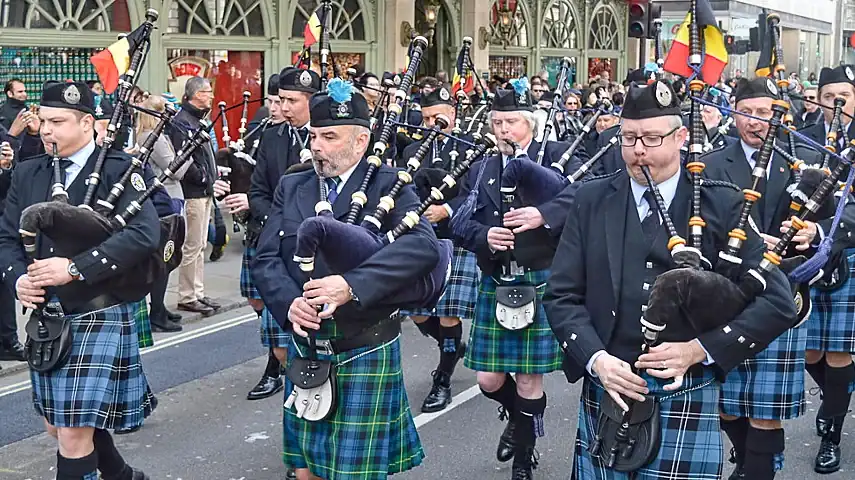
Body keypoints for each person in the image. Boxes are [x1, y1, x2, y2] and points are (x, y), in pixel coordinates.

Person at [544, 80, 796, 480]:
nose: (638, 150)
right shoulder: (590, 200)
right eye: (628, 138)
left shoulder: (722, 203)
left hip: (688, 392)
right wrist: (596, 359)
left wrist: (701, 348)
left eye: (650, 138)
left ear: (681, 137)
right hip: (609, 386)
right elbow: (562, 296)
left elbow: (779, 301)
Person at [252, 80, 437, 480]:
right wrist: (289, 305)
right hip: (306, 344)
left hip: (363, 343)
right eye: (314, 135)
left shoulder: (389, 184)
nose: (316, 146)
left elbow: (423, 249)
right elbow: (266, 257)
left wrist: (352, 285)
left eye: (329, 137)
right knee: (305, 472)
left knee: (354, 474)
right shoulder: (294, 184)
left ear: (361, 140)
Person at [0, 80, 157, 479]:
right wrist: (18, 279)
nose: (47, 130)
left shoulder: (119, 169)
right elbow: (6, 237)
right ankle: (122, 475)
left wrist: (75, 268)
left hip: (97, 310)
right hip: (47, 316)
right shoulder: (28, 171)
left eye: (58, 121)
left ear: (87, 123)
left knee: (71, 431)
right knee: (59, 424)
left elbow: (143, 234)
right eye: (44, 120)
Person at [451, 78, 582, 479]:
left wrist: (545, 215)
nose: (503, 130)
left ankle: (525, 455)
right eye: (497, 123)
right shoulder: (481, 167)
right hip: (498, 279)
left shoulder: (557, 156)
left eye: (511, 122)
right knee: (489, 379)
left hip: (541, 276)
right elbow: (459, 220)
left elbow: (588, 196)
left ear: (531, 123)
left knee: (528, 379)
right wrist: (483, 236)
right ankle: (517, 418)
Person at [702, 78, 827, 479]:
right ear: (733, 111)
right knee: (725, 403)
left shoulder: (806, 158)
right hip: (728, 291)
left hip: (783, 292)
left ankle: (760, 470)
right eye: (747, 112)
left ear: (781, 114)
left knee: (766, 410)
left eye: (766, 113)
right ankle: (749, 457)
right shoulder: (711, 162)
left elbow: (848, 211)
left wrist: (815, 232)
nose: (756, 122)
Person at [243, 67, 320, 408]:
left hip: (319, 247)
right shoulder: (273, 137)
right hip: (276, 240)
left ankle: (311, 397)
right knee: (277, 333)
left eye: (291, 100)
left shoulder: (326, 136)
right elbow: (259, 189)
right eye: (280, 100)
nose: (284, 107)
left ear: (310, 101)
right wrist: (278, 221)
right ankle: (285, 380)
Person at [399, 86, 479, 413]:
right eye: (428, 117)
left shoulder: (472, 148)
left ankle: (442, 379)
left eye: (439, 116)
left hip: (456, 238)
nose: (433, 123)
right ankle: (451, 348)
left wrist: (447, 210)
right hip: (420, 239)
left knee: (447, 313)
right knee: (417, 312)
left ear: (453, 115)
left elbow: (477, 194)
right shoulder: (412, 151)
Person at [169, 76, 220, 315]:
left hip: (204, 191)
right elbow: (183, 160)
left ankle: (197, 292)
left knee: (200, 245)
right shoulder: (182, 122)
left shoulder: (197, 120)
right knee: (192, 246)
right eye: (206, 92)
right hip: (194, 193)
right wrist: (202, 177)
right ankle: (187, 295)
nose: (210, 96)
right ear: (195, 95)